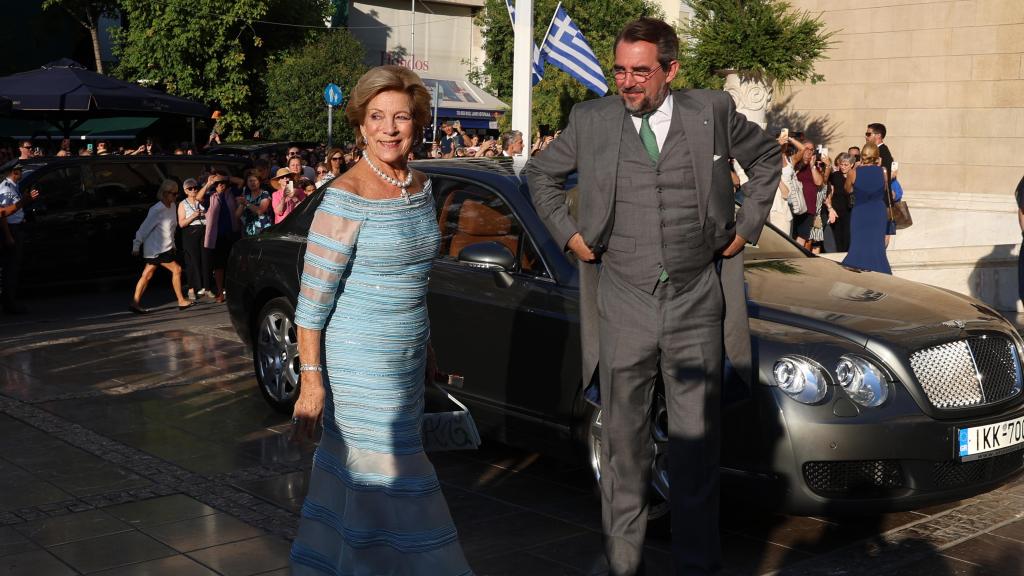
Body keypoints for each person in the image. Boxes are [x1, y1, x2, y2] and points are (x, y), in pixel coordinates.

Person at [527, 18, 779, 576]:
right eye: (620, 70)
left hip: (695, 300)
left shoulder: (710, 111)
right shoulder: (590, 120)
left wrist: (748, 224)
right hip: (622, 301)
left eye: (641, 71)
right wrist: (568, 236)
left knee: (695, 450)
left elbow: (766, 159)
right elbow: (540, 175)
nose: (627, 82)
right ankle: (623, 564)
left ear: (671, 70)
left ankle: (697, 565)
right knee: (623, 449)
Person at [289, 64, 471, 575]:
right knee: (388, 477)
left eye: (401, 117)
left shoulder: (421, 184)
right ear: (360, 126)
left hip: (407, 359)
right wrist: (311, 383)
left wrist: (428, 347)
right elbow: (311, 304)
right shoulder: (347, 195)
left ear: (417, 123)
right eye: (377, 117)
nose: (389, 128)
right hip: (360, 364)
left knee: (370, 482)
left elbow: (415, 279)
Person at [130, 180, 194, 313]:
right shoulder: (156, 210)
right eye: (174, 194)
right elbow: (144, 228)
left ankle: (135, 303)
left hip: (165, 247)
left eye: (177, 194)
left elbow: (171, 229)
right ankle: (181, 301)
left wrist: (174, 245)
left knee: (147, 274)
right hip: (156, 249)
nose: (176, 196)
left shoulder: (172, 207)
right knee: (177, 269)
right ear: (165, 194)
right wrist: (136, 245)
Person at [842, 142, 891, 274]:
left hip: (861, 211)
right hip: (878, 212)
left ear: (862, 155)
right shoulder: (883, 171)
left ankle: (857, 268)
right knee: (876, 244)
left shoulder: (853, 172)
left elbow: (847, 189)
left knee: (859, 242)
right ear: (877, 156)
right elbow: (884, 189)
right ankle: (878, 270)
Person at [0, 161, 40, 314]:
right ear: (14, 172)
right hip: (11, 230)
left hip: (16, 227)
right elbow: (2, 214)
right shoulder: (5, 188)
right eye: (20, 170)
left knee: (13, 269)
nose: (22, 172)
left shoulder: (13, 186)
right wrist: (9, 236)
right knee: (10, 269)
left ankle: (10, 302)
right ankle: (9, 304)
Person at [203, 171, 240, 303]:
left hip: (231, 233)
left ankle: (231, 291)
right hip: (217, 236)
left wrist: (225, 177)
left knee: (232, 264)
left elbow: (240, 182)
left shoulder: (231, 193)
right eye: (218, 184)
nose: (221, 186)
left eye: (223, 183)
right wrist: (208, 183)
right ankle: (220, 292)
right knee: (219, 266)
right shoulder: (210, 196)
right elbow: (198, 197)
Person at [177, 178, 211, 300]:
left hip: (204, 231)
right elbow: (181, 223)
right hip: (190, 232)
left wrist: (204, 214)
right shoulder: (182, 204)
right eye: (190, 188)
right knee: (192, 261)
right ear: (185, 191)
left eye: (195, 188)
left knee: (205, 259)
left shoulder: (201, 201)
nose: (193, 190)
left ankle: (206, 287)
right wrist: (193, 216)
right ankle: (192, 288)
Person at [827, 152, 854, 252]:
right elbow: (830, 192)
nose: (843, 167)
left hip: (850, 210)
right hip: (837, 210)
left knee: (848, 237)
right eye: (841, 164)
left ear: (851, 164)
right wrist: (830, 208)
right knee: (837, 237)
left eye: (846, 165)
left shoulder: (854, 175)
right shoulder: (835, 175)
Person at [238, 171, 273, 236]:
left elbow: (260, 211)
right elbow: (237, 215)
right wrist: (241, 203)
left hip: (262, 230)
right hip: (248, 231)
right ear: (247, 183)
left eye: (255, 180)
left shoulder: (265, 194)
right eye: (250, 181)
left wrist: (246, 202)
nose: (252, 183)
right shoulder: (246, 196)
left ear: (259, 181)